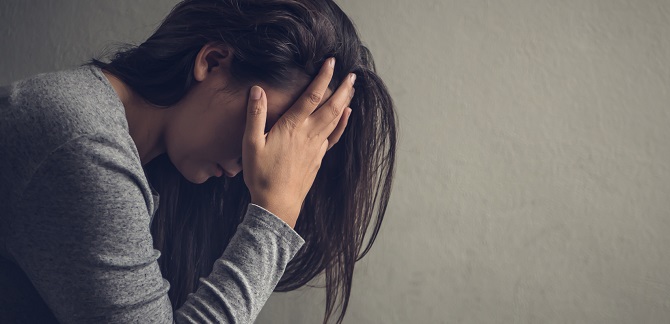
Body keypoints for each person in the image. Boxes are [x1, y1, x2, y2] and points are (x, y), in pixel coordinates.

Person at [0, 0, 397, 323]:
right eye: (272, 128)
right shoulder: (82, 142)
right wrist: (275, 212)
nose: (262, 156)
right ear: (213, 60)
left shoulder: (145, 169)